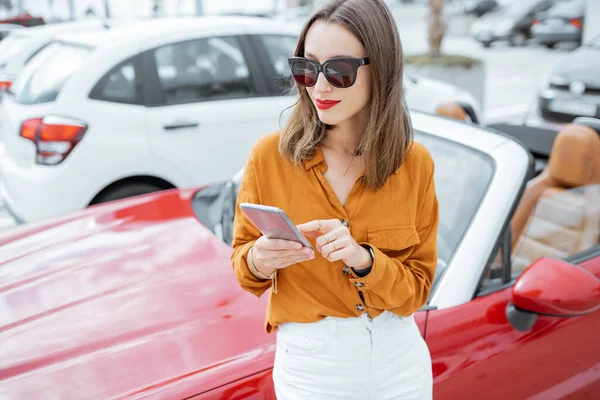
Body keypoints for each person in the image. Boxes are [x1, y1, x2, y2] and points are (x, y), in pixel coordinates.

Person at [231, 0, 439, 398]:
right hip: (313, 365)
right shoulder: (268, 157)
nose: (319, 86)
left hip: (399, 360)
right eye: (306, 68)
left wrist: (364, 261)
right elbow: (244, 266)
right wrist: (259, 259)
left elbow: (418, 289)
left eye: (339, 71)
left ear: (380, 68)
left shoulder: (415, 164)